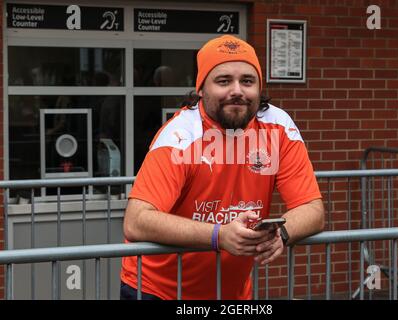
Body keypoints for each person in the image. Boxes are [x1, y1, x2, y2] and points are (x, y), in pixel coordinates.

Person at [120, 35, 324, 300]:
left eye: (248, 81)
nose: (237, 90)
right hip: (159, 290)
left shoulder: (278, 126)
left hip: (231, 294)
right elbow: (136, 221)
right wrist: (219, 235)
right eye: (224, 80)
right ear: (201, 89)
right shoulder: (181, 135)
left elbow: (313, 209)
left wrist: (282, 233)